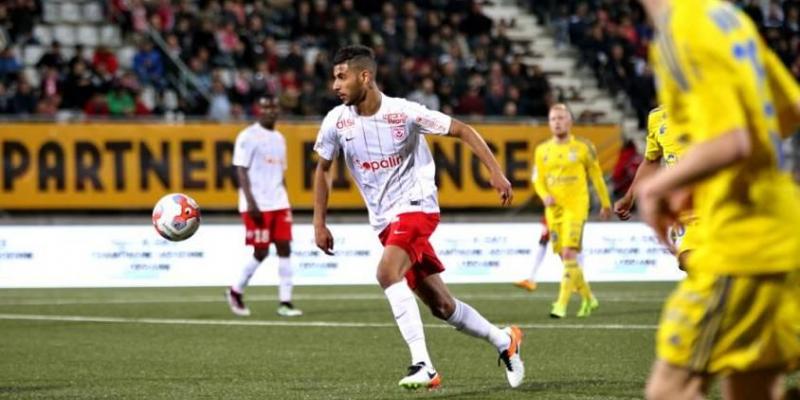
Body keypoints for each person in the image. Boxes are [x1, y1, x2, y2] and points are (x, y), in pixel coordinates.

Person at [312, 45, 524, 390]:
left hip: (417, 206)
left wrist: (496, 173)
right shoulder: (336, 121)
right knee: (441, 306)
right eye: (334, 77)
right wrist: (319, 222)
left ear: (365, 76)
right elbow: (322, 169)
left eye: (341, 76)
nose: (335, 85)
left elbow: (463, 130)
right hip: (385, 222)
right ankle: (505, 340)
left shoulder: (404, 113)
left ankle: (423, 365)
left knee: (386, 272)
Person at [635, 0, 800, 398]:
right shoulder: (727, 17)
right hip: (782, 229)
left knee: (670, 390)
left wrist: (654, 188)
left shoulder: (681, 28)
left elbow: (732, 141)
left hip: (740, 243)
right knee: (750, 390)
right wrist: (700, 175)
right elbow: (789, 109)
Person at [225, 96, 302, 318]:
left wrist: (286, 200)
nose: (270, 111)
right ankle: (235, 291)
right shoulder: (248, 136)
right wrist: (250, 202)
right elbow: (240, 169)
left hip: (279, 203)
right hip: (258, 203)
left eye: (273, 107)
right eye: (265, 107)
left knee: (285, 248)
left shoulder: (279, 138)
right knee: (261, 251)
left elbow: (281, 172)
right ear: (258, 110)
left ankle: (285, 302)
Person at [533, 103, 611, 318]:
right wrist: (544, 195)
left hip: (576, 208)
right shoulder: (542, 150)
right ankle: (589, 299)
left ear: (570, 121)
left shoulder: (583, 147)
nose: (557, 122)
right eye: (553, 119)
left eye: (561, 118)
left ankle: (561, 305)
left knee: (569, 254)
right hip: (553, 211)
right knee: (565, 259)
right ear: (549, 124)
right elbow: (538, 180)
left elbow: (596, 176)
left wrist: (605, 203)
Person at [613, 106, 698, 268]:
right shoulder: (656, 117)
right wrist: (629, 197)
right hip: (685, 208)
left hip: (717, 199)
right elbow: (651, 161)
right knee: (687, 261)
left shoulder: (710, 104)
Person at [514, 216, 549, 292]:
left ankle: (575, 279)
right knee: (543, 243)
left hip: (559, 216)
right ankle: (531, 279)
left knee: (563, 249)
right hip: (551, 214)